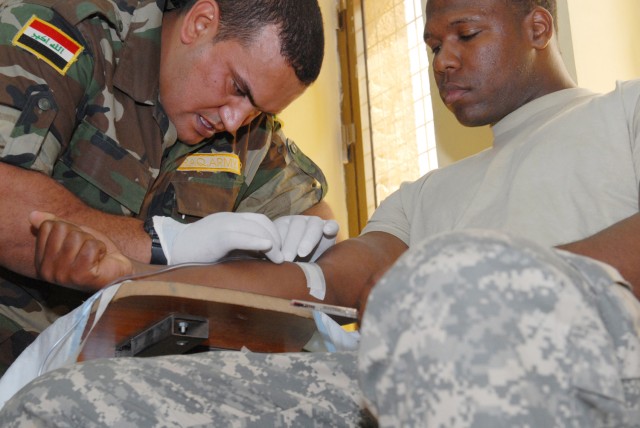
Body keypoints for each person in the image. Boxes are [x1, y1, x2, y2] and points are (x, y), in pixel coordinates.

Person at [1, 0, 639, 426]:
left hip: (595, 354)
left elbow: (326, 237)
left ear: (538, 27)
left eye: (465, 35)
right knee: (66, 406)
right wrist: (141, 268)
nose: (443, 59)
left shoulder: (625, 113)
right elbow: (326, 282)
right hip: (403, 382)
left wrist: (477, 289)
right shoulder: (423, 195)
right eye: (431, 43)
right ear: (198, 23)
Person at [0, 0, 334, 375]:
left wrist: (311, 244)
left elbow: (313, 209)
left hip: (120, 372)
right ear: (200, 23)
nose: (235, 120)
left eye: (260, 111)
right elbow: (6, 203)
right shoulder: (75, 31)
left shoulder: (244, 125)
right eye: (237, 88)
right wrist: (166, 247)